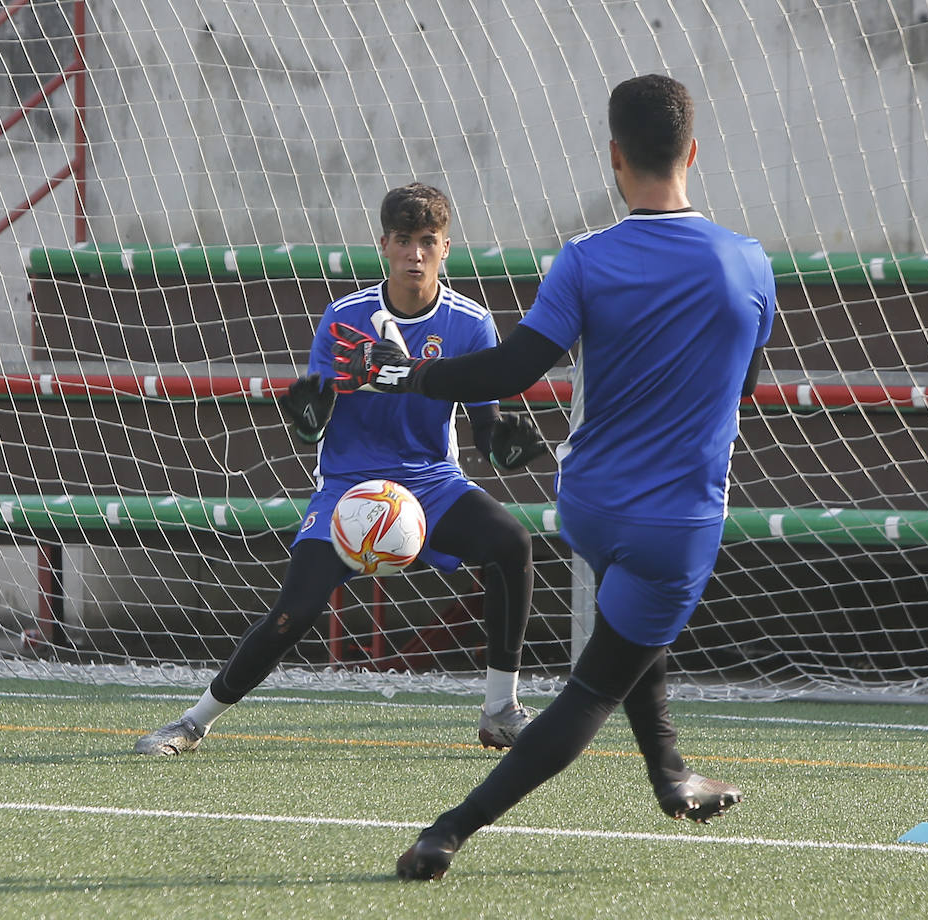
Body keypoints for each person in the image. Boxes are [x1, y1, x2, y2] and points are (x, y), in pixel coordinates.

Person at [331, 75, 776, 880]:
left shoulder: (585, 259)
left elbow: (514, 366)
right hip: (676, 520)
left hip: (590, 504)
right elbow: (744, 387)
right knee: (595, 686)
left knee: (630, 625)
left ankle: (671, 774)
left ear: (614, 157)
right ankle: (450, 828)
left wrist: (411, 377)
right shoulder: (746, 262)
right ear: (694, 152)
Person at [134, 182, 550, 756]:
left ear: (446, 247)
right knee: (294, 611)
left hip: (430, 483)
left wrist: (505, 444)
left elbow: (486, 428)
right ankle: (193, 721)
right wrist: (307, 419)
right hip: (348, 489)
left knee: (512, 543)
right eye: (404, 240)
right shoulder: (345, 317)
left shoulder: (471, 324)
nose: (415, 255)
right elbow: (315, 422)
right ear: (384, 244)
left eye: (427, 241)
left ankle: (500, 710)